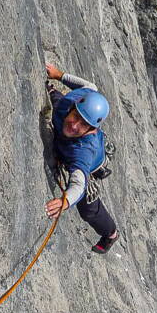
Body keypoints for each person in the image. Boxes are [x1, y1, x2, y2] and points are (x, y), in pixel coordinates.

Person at [43, 62, 120, 254]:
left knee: (88, 210)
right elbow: (89, 87)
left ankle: (110, 233)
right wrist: (59, 75)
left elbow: (79, 183)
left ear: (91, 129)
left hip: (89, 166)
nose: (75, 125)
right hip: (67, 126)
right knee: (59, 101)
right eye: (76, 116)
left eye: (83, 125)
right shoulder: (75, 101)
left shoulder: (83, 151)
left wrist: (65, 201)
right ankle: (52, 91)